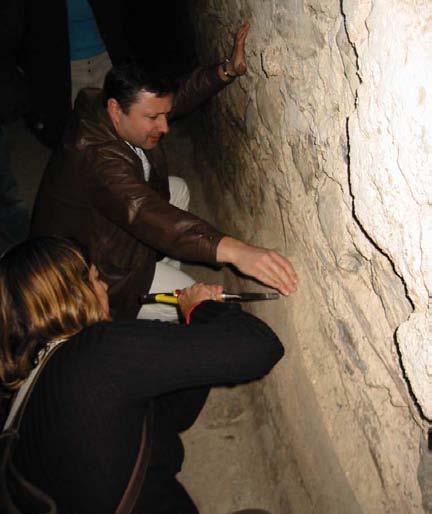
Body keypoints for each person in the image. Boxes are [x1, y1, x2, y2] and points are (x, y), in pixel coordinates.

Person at [0, 237, 284, 514]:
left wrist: (188, 337)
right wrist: (202, 309)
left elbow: (168, 418)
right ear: (73, 293)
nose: (104, 287)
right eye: (94, 279)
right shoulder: (98, 352)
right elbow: (261, 347)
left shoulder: (28, 387)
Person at [30, 57, 298, 322]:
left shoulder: (110, 107)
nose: (165, 126)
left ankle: (158, 267)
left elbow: (174, 98)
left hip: (107, 234)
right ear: (115, 110)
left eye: (165, 115)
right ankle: (140, 309)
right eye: (153, 118)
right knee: (199, 303)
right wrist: (236, 251)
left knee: (177, 189)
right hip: (95, 271)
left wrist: (224, 71)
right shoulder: (97, 158)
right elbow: (146, 212)